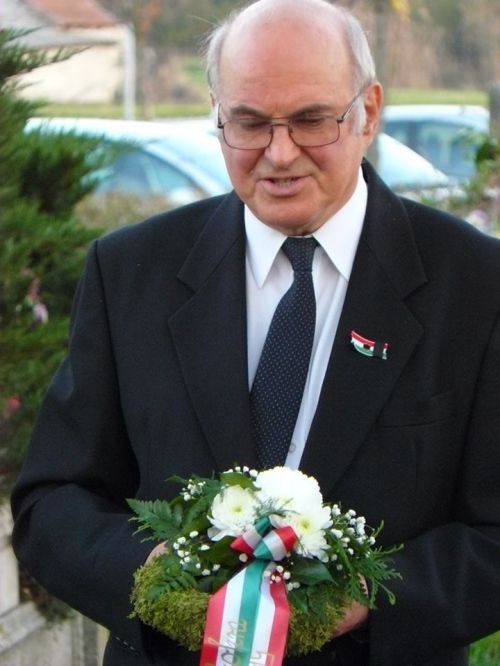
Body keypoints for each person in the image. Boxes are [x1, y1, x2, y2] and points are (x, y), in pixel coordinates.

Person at [10, 1, 500, 664]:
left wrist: (368, 597)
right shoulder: (129, 272)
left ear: (369, 111)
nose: (279, 152)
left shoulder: (475, 285)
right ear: (217, 114)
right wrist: (154, 573)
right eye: (249, 122)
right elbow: (52, 499)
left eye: (310, 120)